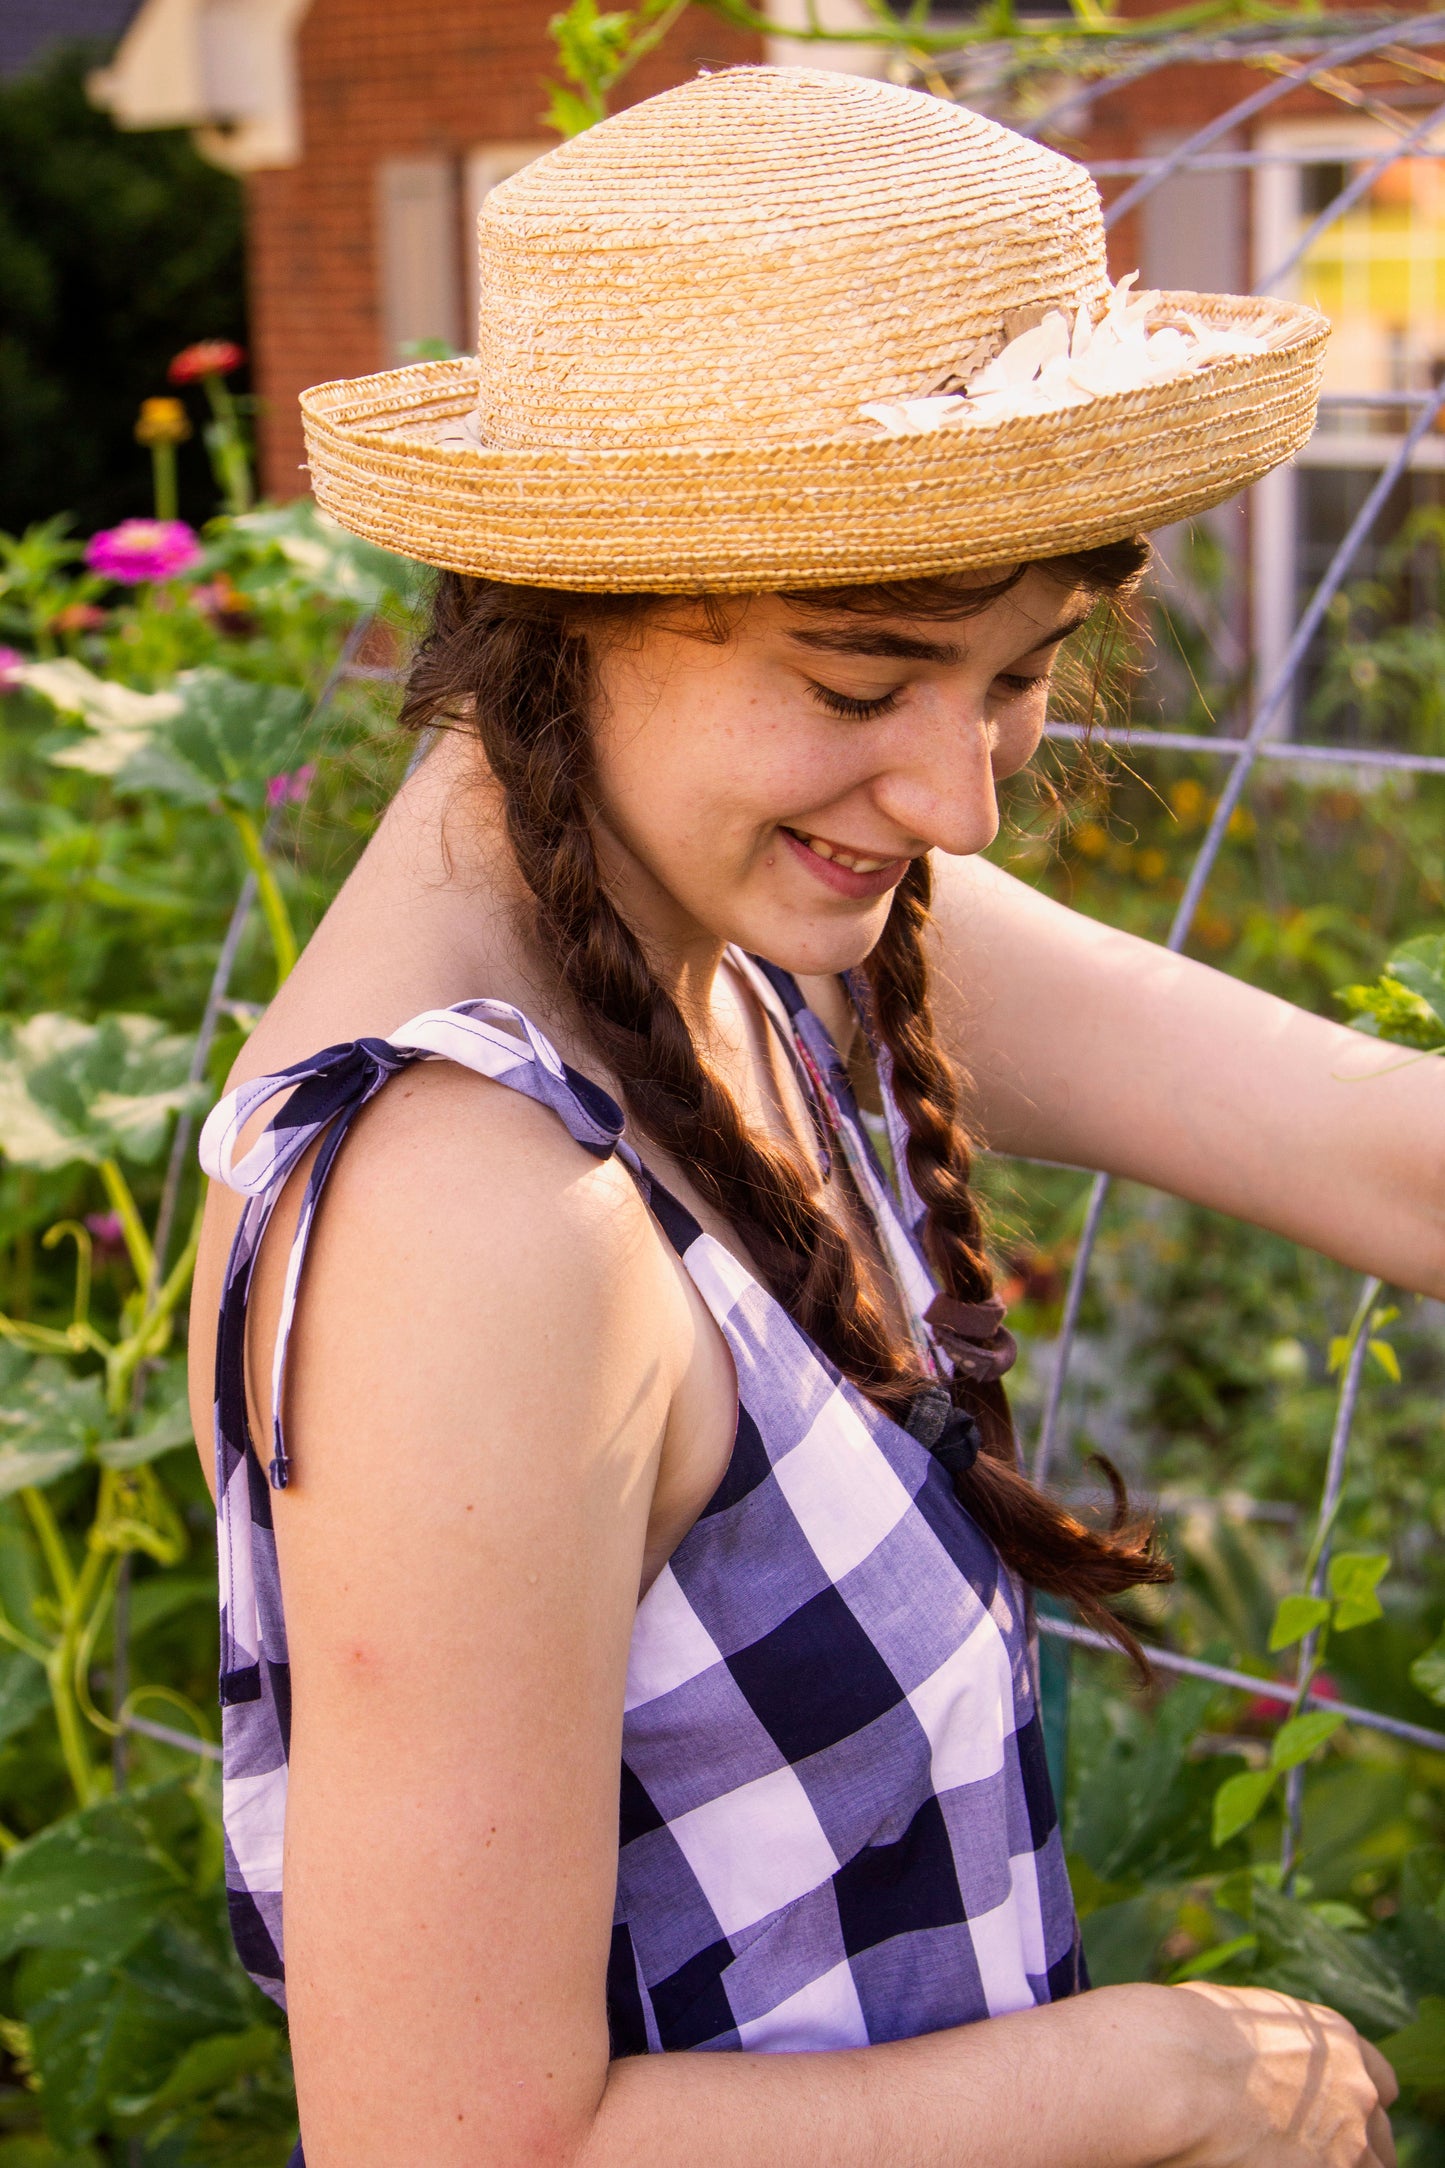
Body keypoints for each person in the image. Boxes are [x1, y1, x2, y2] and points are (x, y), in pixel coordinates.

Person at [187, 65, 1420, 2168]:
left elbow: (1389, 1141)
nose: (960, 794)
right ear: (567, 608)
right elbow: (455, 2147)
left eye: (1023, 669)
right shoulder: (474, 1217)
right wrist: (1160, 2080)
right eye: (860, 686)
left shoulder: (755, 918)